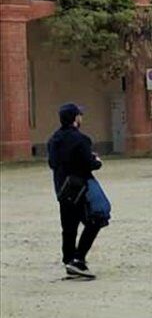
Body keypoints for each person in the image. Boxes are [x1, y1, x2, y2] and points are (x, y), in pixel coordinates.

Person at [47, 103, 105, 279]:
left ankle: (69, 260)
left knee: (68, 226)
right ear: (75, 118)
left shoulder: (53, 140)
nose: (81, 118)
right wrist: (97, 161)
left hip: (62, 188)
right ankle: (78, 260)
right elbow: (89, 163)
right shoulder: (81, 139)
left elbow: (52, 163)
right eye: (79, 115)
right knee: (97, 218)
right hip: (80, 187)